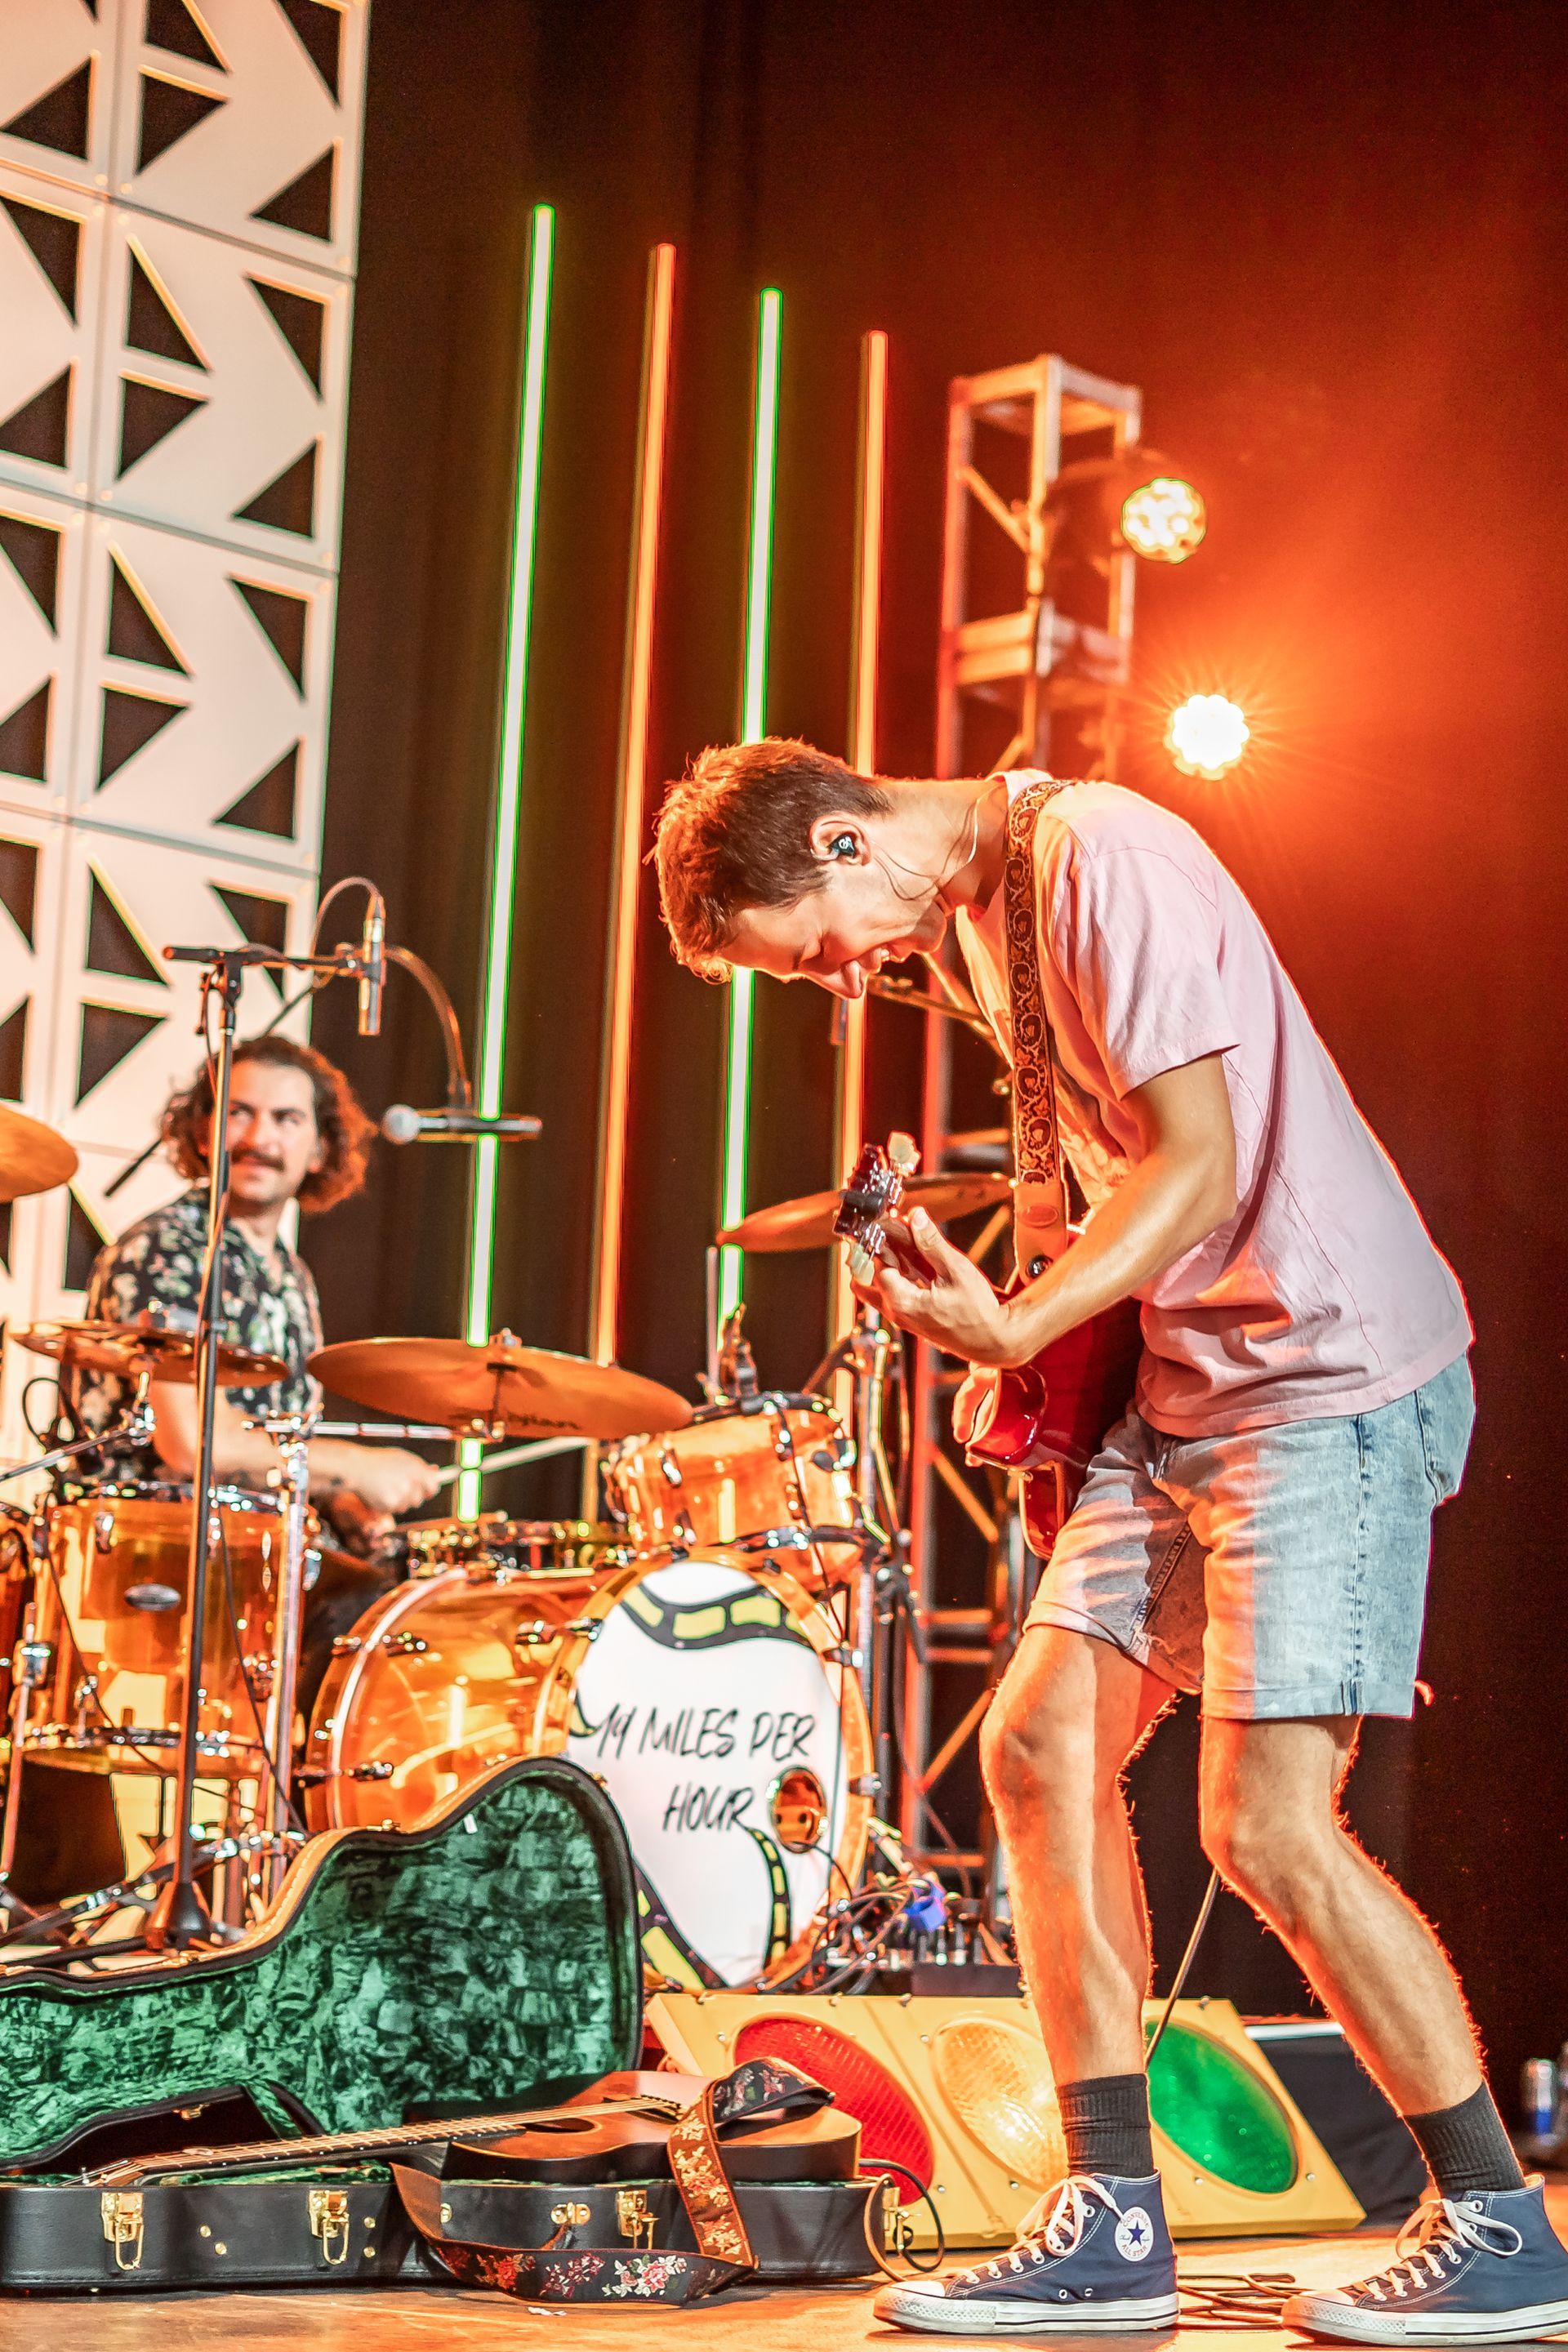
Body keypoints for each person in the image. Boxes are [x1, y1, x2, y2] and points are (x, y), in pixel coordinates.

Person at [653, 738, 1568, 2344]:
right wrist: (1041, 1361)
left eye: (816, 950)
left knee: (1263, 1829)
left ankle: (1501, 2225)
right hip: (1198, 1391)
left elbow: (1202, 1165)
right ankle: (1111, 2221)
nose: (842, 986)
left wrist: (1014, 1325)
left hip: (1326, 1379)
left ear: (853, 844)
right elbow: (1128, 1187)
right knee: (1037, 1751)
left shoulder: (1100, 864)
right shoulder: (982, 918)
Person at [74, 1034, 443, 1723]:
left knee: (419, 1603)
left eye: (285, 1120)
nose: (257, 1137)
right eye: (237, 1113)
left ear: (321, 1148)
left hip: (255, 1554)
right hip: (154, 1554)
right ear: (203, 1130)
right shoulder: (172, 1248)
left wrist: (350, 1508)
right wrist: (355, 1466)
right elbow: (195, 1445)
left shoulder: (290, 1277)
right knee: (364, 1625)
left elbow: (278, 1446)